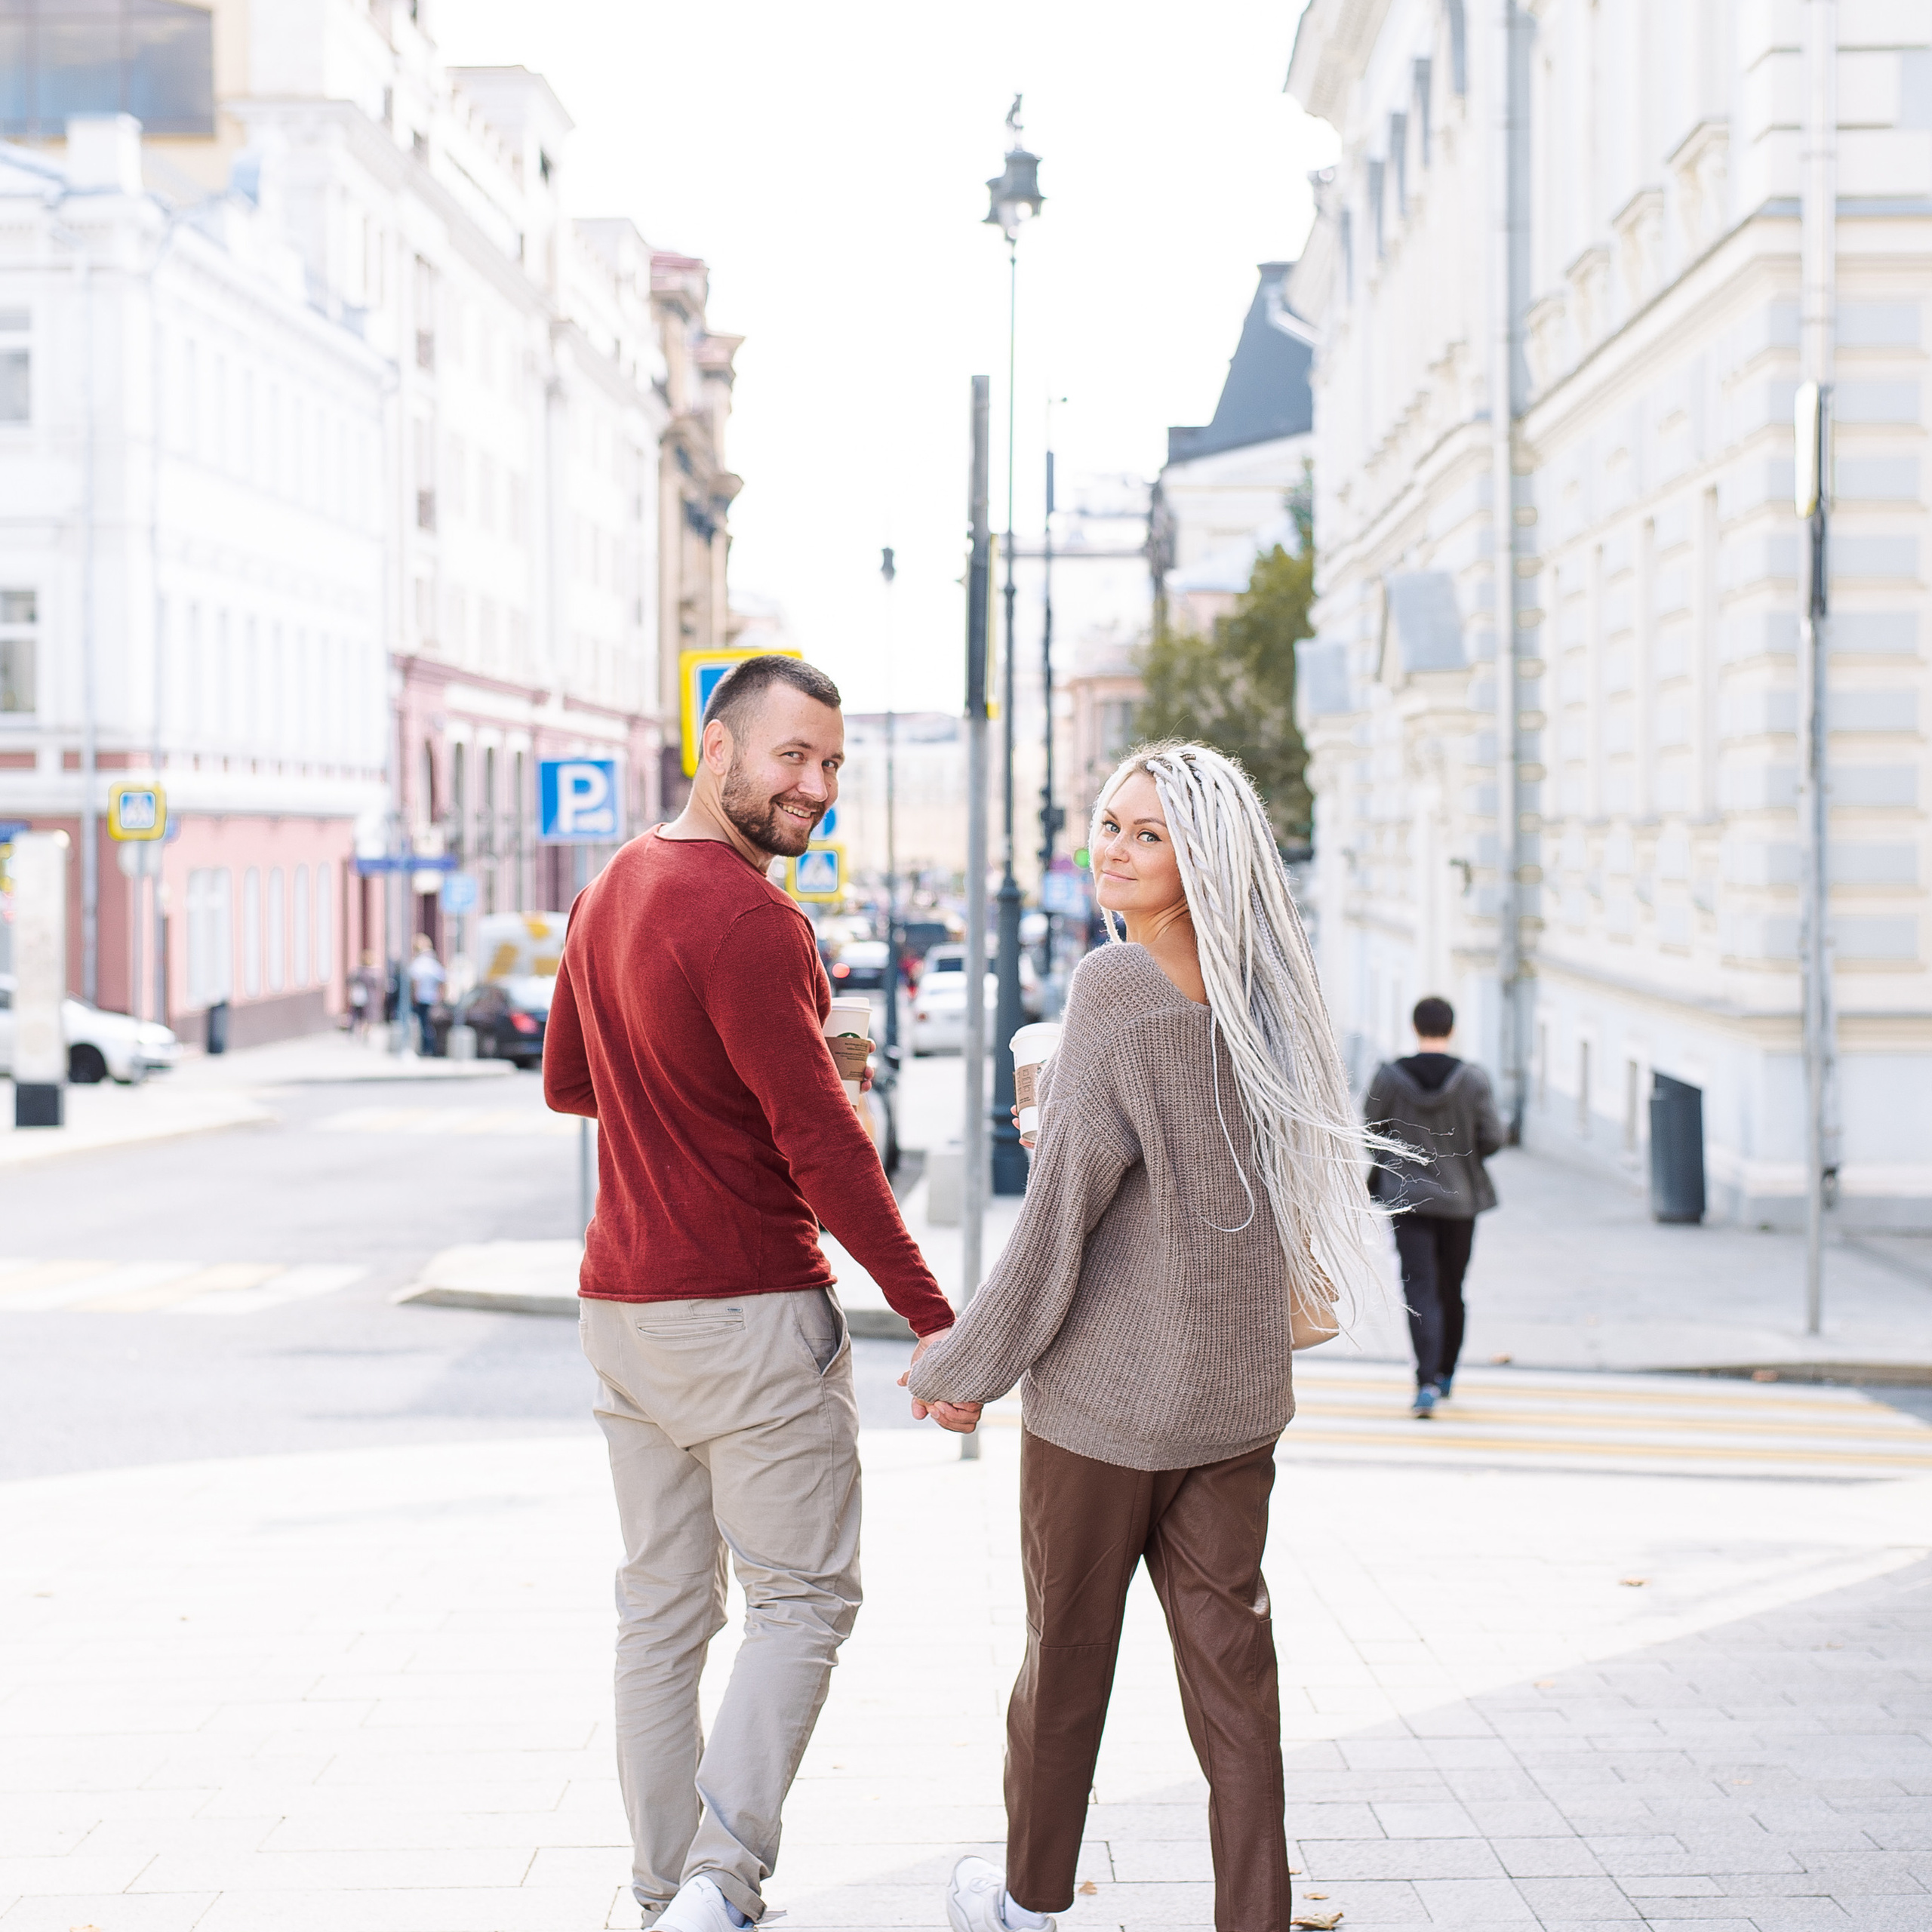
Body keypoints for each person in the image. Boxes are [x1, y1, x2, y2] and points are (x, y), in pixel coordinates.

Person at [907, 742, 1382, 1932]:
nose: (1113, 850)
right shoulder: (1271, 995)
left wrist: (962, 1365)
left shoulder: (1111, 993)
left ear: (1199, 858)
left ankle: (1029, 1902)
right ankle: (1251, 1917)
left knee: (1065, 1660)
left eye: (1146, 835)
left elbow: (1058, 1218)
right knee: (1235, 1681)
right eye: (1109, 824)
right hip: (1232, 1400)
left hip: (1109, 1408)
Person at [543, 654, 961, 1932]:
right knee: (803, 1599)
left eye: (833, 763)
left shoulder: (611, 886)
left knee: (662, 1610)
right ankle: (722, 1881)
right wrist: (939, 1320)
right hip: (743, 1308)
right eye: (793, 756)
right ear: (715, 750)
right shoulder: (746, 914)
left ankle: (664, 1888)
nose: (816, 786)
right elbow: (820, 1149)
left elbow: (573, 1081)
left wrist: (748, 1063)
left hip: (623, 1312)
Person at [1364, 996, 1506, 1417]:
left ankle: (1424, 1382)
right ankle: (1445, 1375)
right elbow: (1494, 1138)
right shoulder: (1473, 1079)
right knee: (1451, 1289)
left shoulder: (1389, 1077)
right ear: (1452, 1028)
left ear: (1414, 1027)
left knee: (1419, 1289)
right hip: (1460, 1202)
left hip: (1408, 1201)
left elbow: (1371, 1129)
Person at [406, 934, 445, 1055]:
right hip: (433, 998)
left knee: (423, 1025)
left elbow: (415, 981)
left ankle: (425, 1049)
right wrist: (440, 995)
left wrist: (414, 996)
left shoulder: (418, 963)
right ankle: (431, 1049)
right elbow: (443, 979)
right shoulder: (434, 962)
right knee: (430, 1025)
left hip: (421, 998)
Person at [347, 951, 383, 1041]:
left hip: (359, 997)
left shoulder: (357, 972)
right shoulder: (374, 973)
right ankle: (366, 1034)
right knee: (369, 1017)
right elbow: (379, 985)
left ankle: (358, 1033)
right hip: (371, 998)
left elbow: (349, 981)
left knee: (359, 1016)